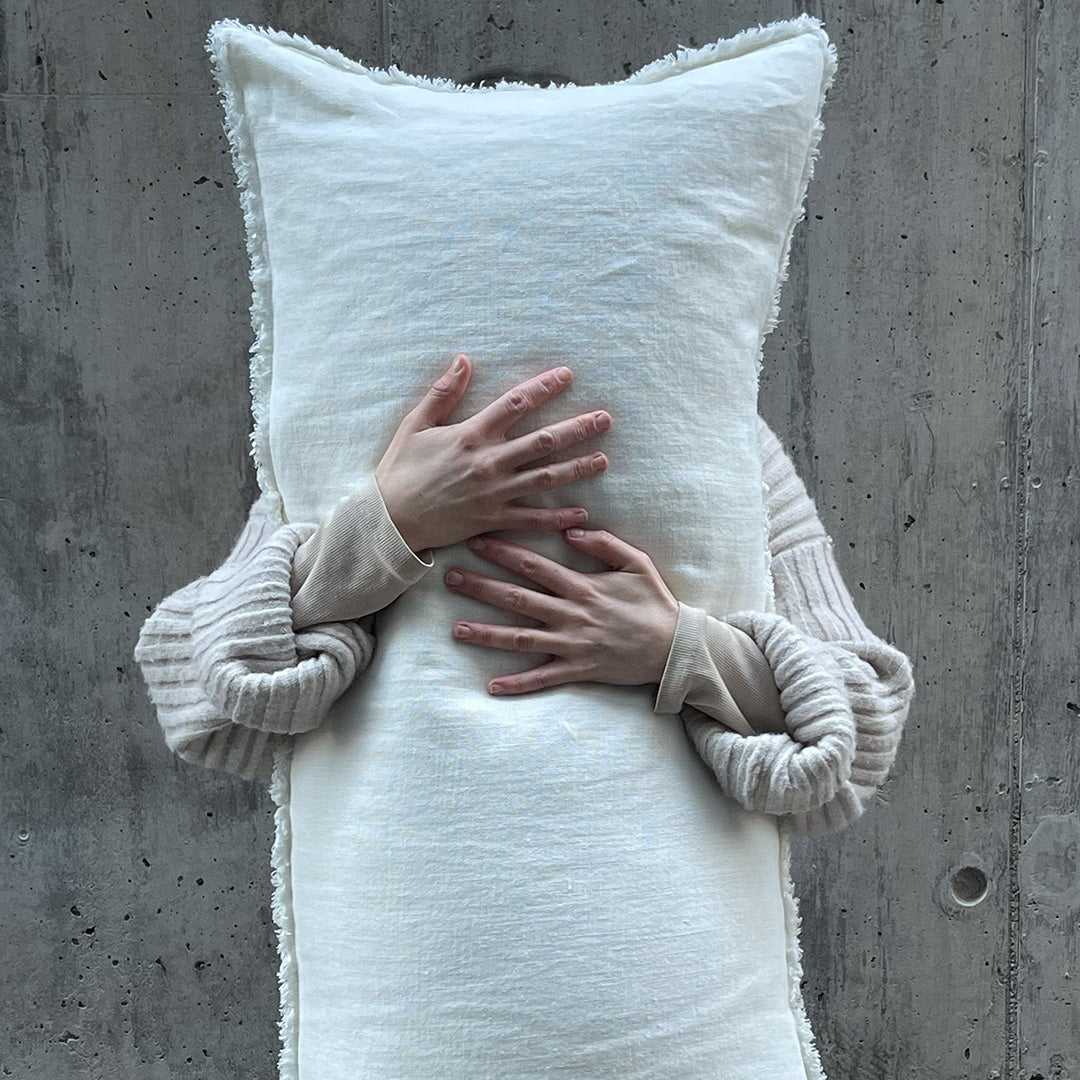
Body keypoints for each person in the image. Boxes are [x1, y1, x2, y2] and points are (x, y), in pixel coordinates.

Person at [134, 352, 914, 836]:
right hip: (410, 932)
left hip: (657, 934)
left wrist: (678, 649)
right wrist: (388, 522)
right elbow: (195, 690)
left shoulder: (710, 440)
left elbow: (864, 726)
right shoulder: (353, 430)